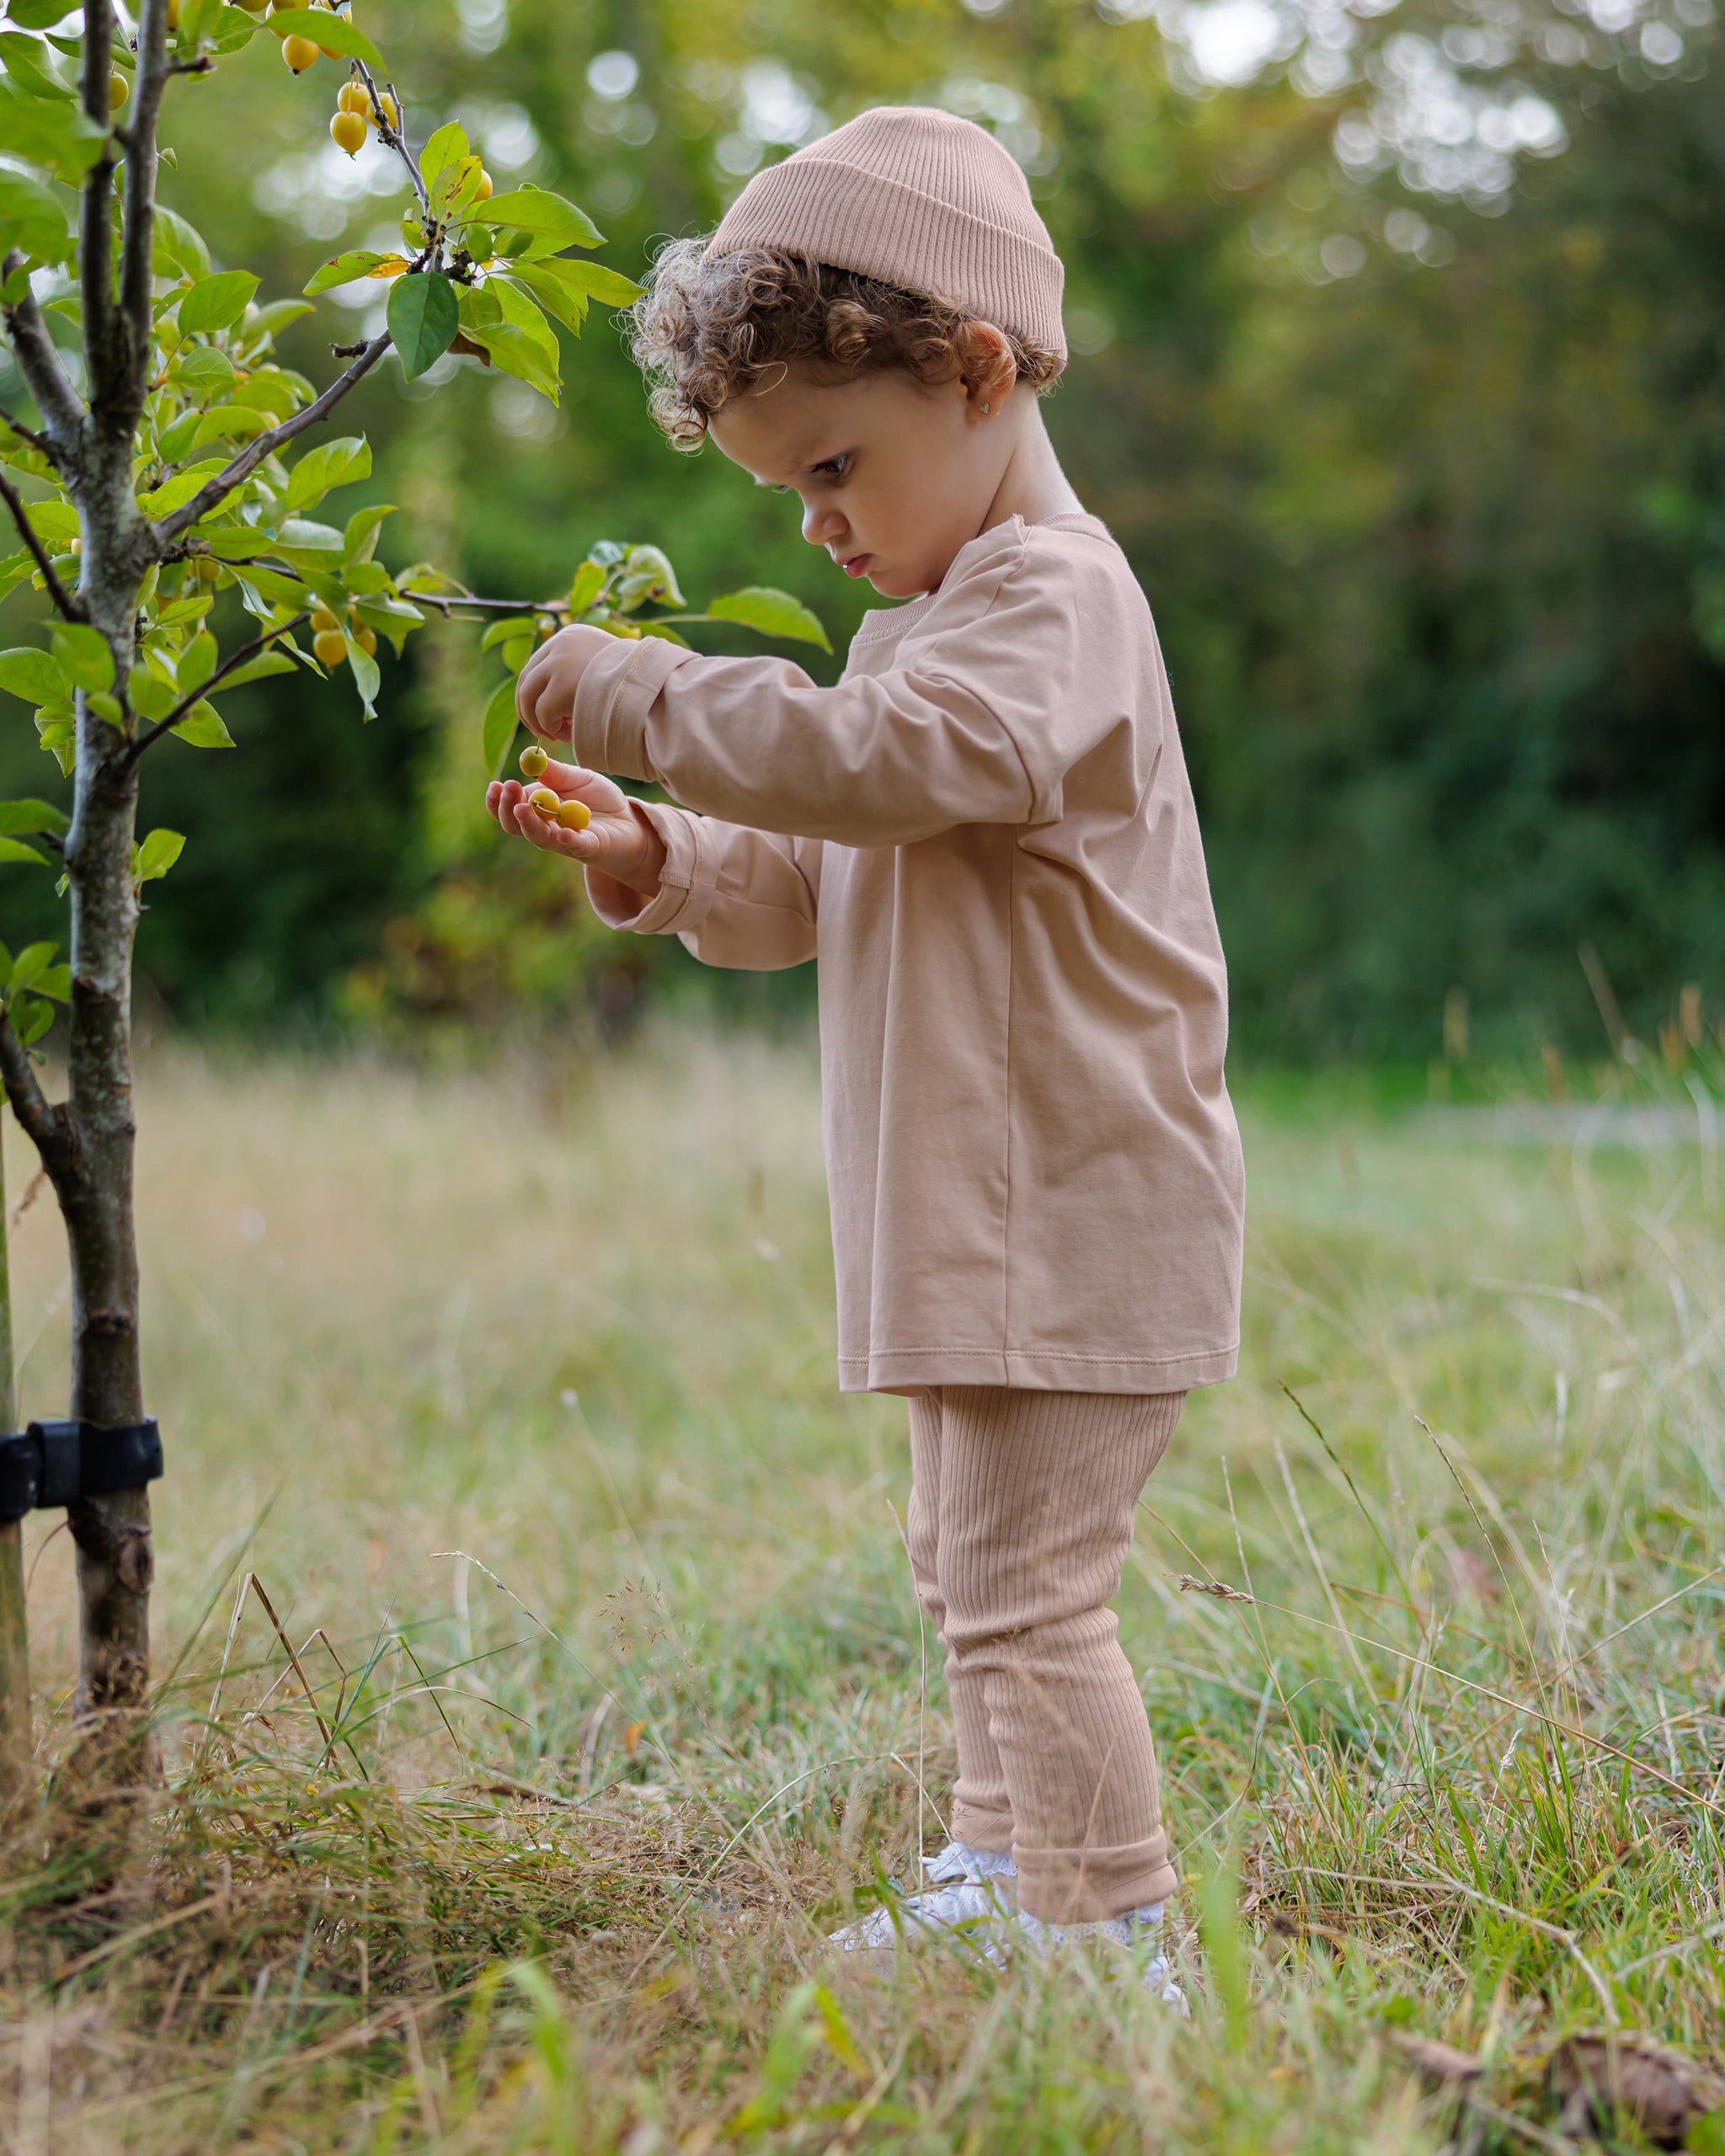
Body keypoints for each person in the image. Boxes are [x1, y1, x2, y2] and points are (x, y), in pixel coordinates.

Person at [487, 106, 1245, 1992]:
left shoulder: (1049, 605)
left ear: (977, 370)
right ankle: (1006, 1864)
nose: (817, 524)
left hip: (1070, 1197)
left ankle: (1107, 1923)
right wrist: (664, 855)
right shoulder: (925, 632)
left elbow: (897, 771)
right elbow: (830, 864)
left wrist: (654, 694)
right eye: (787, 494)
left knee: (1025, 1588)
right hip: (973, 1212)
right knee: (969, 1565)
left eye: (834, 466)